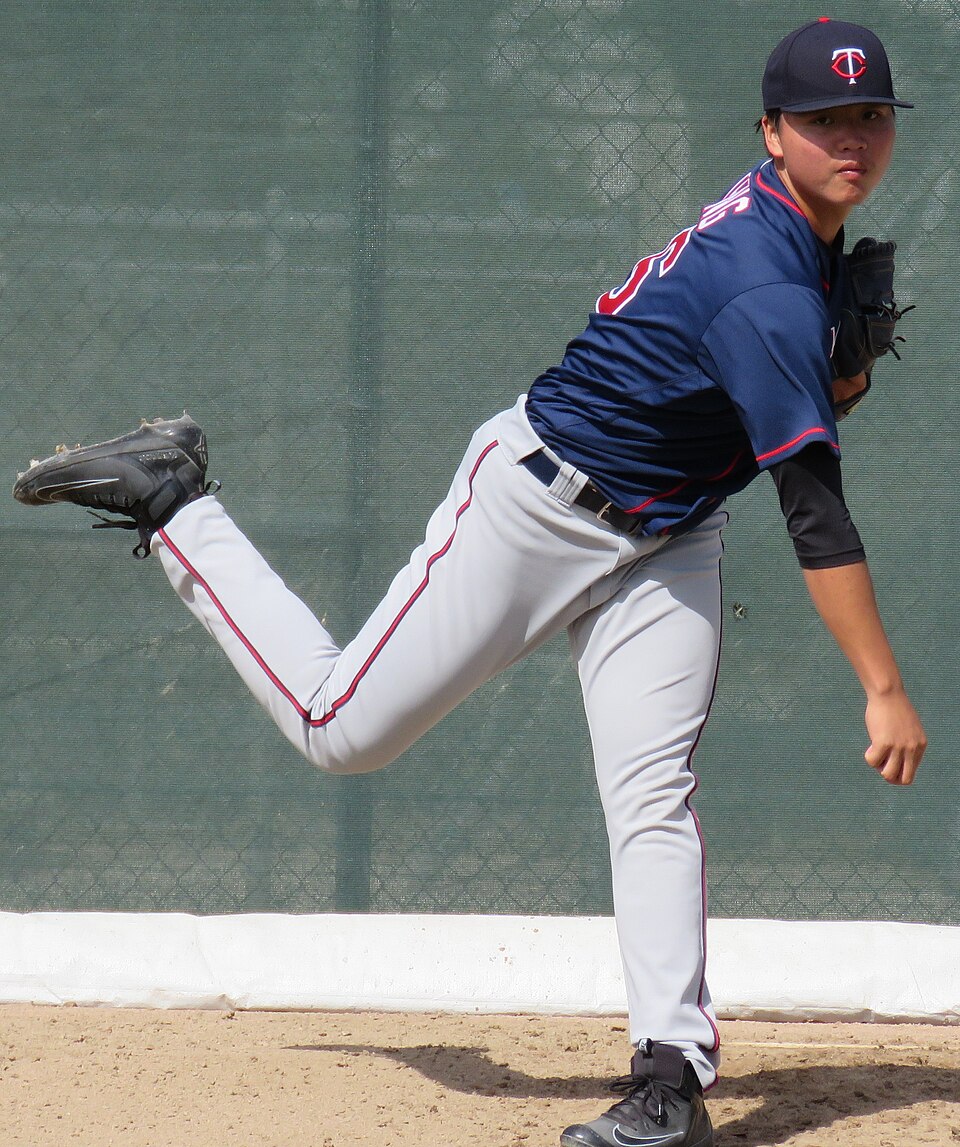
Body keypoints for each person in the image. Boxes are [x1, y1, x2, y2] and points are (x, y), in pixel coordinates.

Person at [13, 18, 927, 1147]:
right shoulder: (769, 285)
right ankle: (174, 502)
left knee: (652, 792)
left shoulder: (799, 235)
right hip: (538, 506)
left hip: (670, 530)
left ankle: (669, 1078)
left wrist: (835, 370)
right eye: (824, 118)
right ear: (771, 131)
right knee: (338, 729)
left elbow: (777, 404)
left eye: (870, 115)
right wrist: (881, 684)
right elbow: (814, 509)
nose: (852, 135)